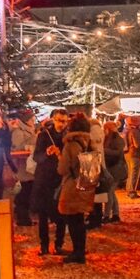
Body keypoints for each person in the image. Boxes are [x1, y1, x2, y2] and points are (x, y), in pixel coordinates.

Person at [58, 113, 95, 264]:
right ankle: (80, 250)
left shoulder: (71, 144)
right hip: (86, 183)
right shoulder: (88, 143)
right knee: (79, 219)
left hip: (72, 186)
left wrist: (59, 158)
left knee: (72, 219)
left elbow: (62, 169)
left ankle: (77, 252)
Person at [33, 109, 69, 255]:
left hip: (60, 179)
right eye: (59, 120)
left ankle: (59, 244)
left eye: (65, 121)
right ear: (53, 119)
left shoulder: (69, 137)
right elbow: (36, 156)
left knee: (61, 214)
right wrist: (47, 153)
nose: (62, 124)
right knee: (43, 215)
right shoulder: (44, 135)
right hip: (44, 179)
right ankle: (44, 245)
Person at [10, 109, 38, 226]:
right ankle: (22, 218)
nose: (34, 121)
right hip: (22, 166)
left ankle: (25, 217)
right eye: (32, 119)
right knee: (24, 193)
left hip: (29, 166)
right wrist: (34, 139)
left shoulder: (29, 130)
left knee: (28, 191)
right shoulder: (18, 131)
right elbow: (17, 147)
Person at [102, 121, 126, 223]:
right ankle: (116, 214)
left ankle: (107, 215)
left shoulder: (117, 139)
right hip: (114, 168)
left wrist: (104, 150)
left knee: (109, 192)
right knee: (111, 193)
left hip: (117, 169)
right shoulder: (110, 139)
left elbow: (118, 153)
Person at [123, 116, 140, 198]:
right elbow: (137, 145)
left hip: (127, 154)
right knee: (134, 173)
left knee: (130, 173)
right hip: (134, 154)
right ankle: (132, 192)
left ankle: (128, 190)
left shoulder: (126, 130)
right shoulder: (135, 131)